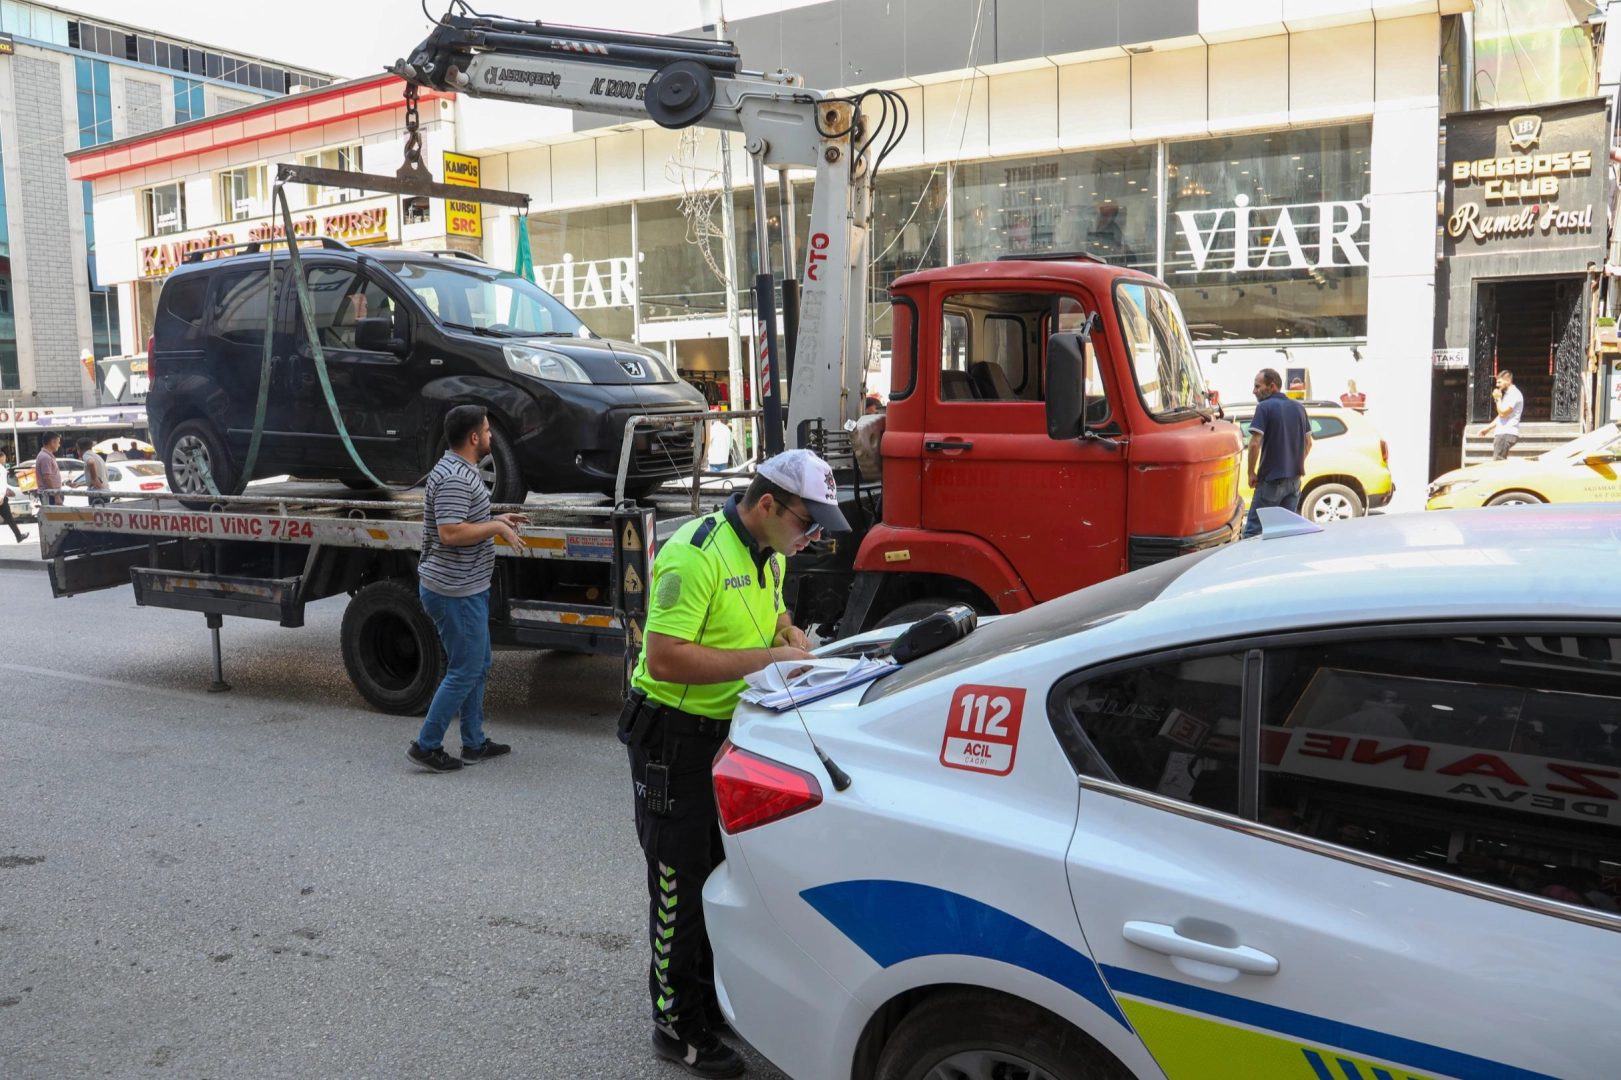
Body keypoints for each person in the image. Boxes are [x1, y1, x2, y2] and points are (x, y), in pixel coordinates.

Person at [620, 448, 847, 1077]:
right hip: (672, 738)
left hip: (727, 733)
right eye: (808, 523)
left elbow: (771, 616)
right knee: (678, 883)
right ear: (769, 505)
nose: (814, 537)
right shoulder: (695, 553)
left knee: (719, 873)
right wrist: (765, 661)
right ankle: (674, 1023)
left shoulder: (767, 552)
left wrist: (789, 636)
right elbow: (664, 658)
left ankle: (701, 996)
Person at [406, 404, 528, 773]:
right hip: (454, 592)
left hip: (466, 588)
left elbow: (462, 519)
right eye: (488, 431)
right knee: (464, 669)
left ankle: (474, 742)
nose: (491, 436)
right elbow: (450, 532)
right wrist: (495, 529)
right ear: (474, 438)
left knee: (478, 664)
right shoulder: (456, 477)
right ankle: (426, 745)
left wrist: (495, 518)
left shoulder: (461, 470)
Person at [1243, 368, 1313, 539]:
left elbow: (1254, 444)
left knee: (1253, 531)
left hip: (1271, 481)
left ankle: (1249, 565)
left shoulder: (1264, 407)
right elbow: (1309, 443)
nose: (1254, 391)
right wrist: (1294, 463)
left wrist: (1251, 472)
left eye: (1257, 386)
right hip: (1295, 481)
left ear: (1272, 386)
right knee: (1284, 533)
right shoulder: (1299, 407)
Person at [1480, 369, 1524, 460]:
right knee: (1499, 461)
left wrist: (1497, 399)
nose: (1497, 385)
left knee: (1498, 462)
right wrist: (1488, 428)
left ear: (1508, 381)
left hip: (1506, 432)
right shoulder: (1508, 394)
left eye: (1499, 382)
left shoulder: (1514, 393)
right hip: (1503, 433)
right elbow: (1501, 415)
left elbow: (1503, 413)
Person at [0, 448, 25, 542]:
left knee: (9, 518)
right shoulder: (1, 469)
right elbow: (2, 484)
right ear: (1, 458)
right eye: (4, 458)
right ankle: (18, 536)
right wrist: (1, 496)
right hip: (1, 498)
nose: (5, 460)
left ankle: (18, 535)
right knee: (9, 518)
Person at [34, 434, 62, 507]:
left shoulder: (46, 455)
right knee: (54, 517)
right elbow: (47, 478)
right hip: (49, 495)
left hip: (51, 494)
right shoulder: (45, 457)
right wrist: (56, 496)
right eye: (58, 442)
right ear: (52, 442)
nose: (59, 445)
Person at [79, 438, 109, 506]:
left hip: (96, 495)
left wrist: (94, 478)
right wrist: (79, 484)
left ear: (79, 449)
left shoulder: (86, 455)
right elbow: (95, 481)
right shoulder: (97, 456)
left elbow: (91, 462)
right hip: (105, 493)